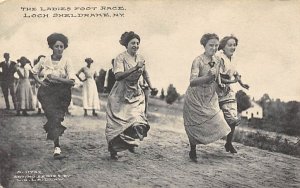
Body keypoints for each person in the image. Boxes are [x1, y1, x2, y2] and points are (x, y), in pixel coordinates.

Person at [105, 31, 156, 160]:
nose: (136, 45)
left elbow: (145, 74)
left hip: (135, 93)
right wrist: (134, 68)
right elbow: (118, 76)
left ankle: (130, 141)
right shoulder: (120, 58)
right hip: (120, 94)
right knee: (118, 124)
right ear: (126, 45)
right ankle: (113, 149)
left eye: (138, 43)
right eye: (133, 43)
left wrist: (151, 86)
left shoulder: (141, 58)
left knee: (138, 120)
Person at [183, 33, 231, 162]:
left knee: (217, 118)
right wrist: (208, 77)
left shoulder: (218, 60)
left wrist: (220, 84)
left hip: (210, 95)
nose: (214, 48)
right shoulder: (198, 61)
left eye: (216, 45)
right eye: (211, 45)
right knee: (194, 124)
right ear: (204, 45)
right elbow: (192, 81)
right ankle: (192, 150)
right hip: (195, 96)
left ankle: (226, 142)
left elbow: (217, 75)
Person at [32, 33, 75, 158]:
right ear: (51, 47)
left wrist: (56, 78)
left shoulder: (67, 61)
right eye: (57, 46)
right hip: (47, 93)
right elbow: (34, 72)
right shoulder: (44, 60)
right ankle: (57, 147)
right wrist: (41, 82)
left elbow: (72, 81)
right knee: (53, 117)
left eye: (62, 46)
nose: (59, 49)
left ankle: (56, 145)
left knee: (57, 118)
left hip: (62, 94)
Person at [217, 35, 249, 153]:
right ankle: (196, 141)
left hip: (228, 90)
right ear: (223, 47)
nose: (232, 47)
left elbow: (235, 72)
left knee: (233, 118)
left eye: (234, 45)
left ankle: (228, 143)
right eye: (229, 45)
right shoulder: (219, 58)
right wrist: (232, 81)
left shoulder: (233, 58)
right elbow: (218, 77)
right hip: (217, 89)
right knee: (210, 116)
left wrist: (241, 83)